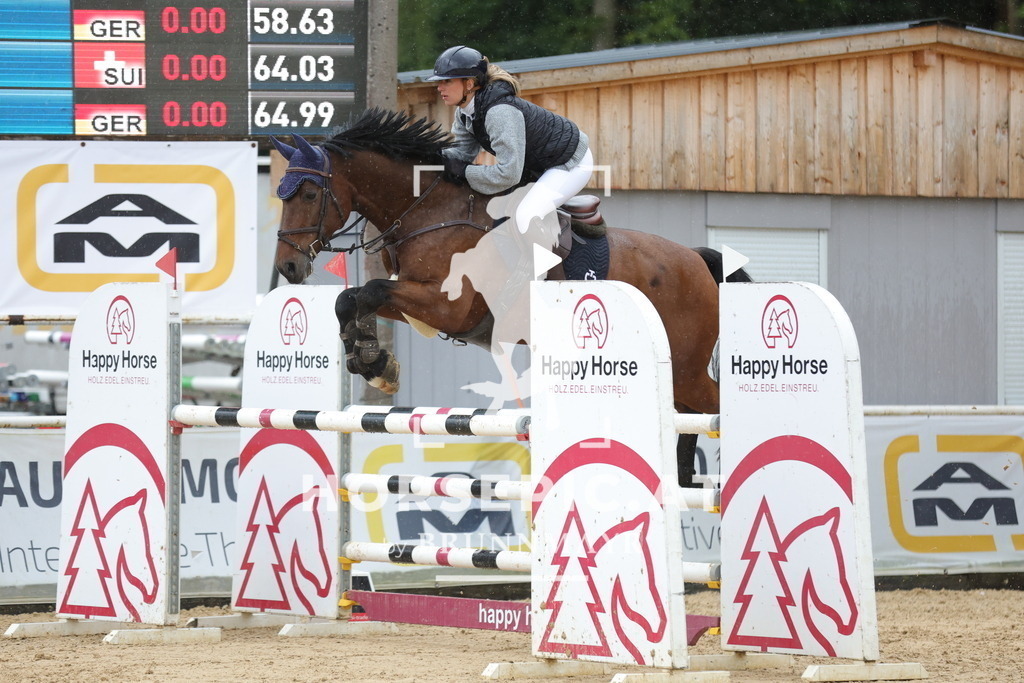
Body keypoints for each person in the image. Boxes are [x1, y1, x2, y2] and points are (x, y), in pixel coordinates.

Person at [428, 45, 593, 235]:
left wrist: (465, 172)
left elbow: (509, 174)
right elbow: (461, 154)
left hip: (570, 162)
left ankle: (542, 265)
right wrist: (429, 157)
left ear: (469, 84)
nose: (439, 87)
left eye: (447, 81)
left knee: (526, 214)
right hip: (535, 164)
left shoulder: (499, 112)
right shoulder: (464, 112)